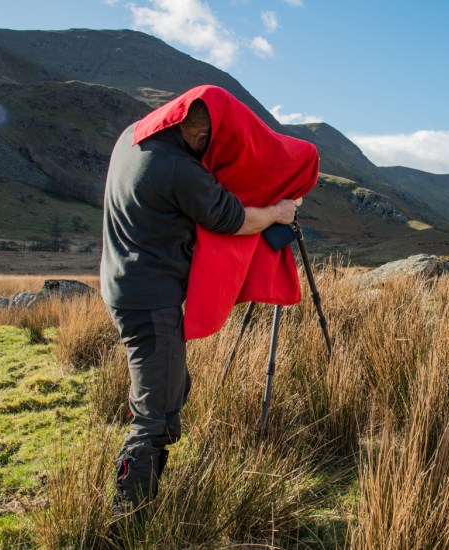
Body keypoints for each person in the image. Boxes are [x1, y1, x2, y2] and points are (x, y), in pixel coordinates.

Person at [100, 93, 301, 514]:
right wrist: (278, 212)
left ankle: (140, 502)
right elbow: (236, 220)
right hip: (150, 301)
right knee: (156, 416)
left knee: (172, 388)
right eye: (208, 140)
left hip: (124, 287)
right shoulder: (176, 168)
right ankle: (127, 519)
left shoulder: (132, 139)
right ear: (200, 134)